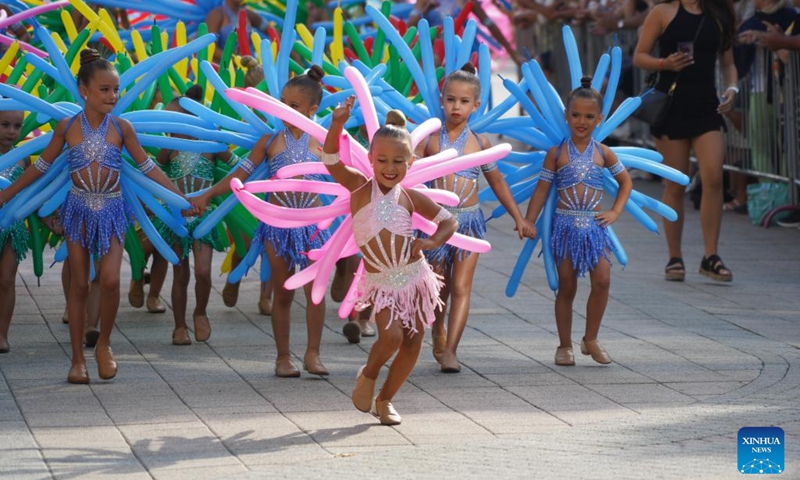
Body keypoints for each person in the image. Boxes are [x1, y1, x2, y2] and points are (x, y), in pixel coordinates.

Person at [0, 49, 191, 384]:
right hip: (77, 211)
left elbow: (146, 166)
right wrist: (7, 193)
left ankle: (104, 344)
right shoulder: (67, 126)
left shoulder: (123, 127)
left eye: (115, 90)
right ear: (84, 91)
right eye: (104, 89)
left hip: (114, 209)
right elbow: (43, 167)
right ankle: (77, 360)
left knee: (111, 281)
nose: (112, 96)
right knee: (79, 284)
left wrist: (179, 197)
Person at [321, 99, 458, 425]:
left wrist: (432, 240)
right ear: (370, 158)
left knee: (413, 345)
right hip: (380, 283)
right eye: (382, 159)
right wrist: (337, 124)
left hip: (414, 278)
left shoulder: (410, 197)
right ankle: (368, 375)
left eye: (398, 161)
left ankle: (385, 400)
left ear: (411, 162)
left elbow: (449, 221)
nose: (390, 167)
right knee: (392, 337)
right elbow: (330, 161)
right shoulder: (358, 187)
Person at [194, 66, 330, 378]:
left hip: (313, 227)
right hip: (277, 226)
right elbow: (238, 175)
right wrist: (207, 194)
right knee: (283, 292)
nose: (285, 110)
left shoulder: (322, 143)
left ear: (313, 110)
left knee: (315, 292)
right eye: (282, 103)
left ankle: (313, 353)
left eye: (293, 106)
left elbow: (343, 175)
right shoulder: (269, 142)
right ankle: (283, 357)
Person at [416, 63, 533, 373]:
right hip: (437, 223)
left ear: (476, 105)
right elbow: (410, 177)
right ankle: (438, 329)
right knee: (439, 286)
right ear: (442, 100)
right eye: (451, 99)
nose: (457, 107)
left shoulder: (480, 142)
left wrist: (519, 218)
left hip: (469, 224)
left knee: (462, 287)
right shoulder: (429, 140)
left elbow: (497, 183)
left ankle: (452, 350)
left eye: (464, 101)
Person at [523, 77, 633, 366]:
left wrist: (615, 212)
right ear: (566, 116)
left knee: (603, 280)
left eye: (588, 116)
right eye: (575, 115)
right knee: (567, 286)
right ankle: (564, 345)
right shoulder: (556, 153)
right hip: (565, 228)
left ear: (599, 118)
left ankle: (591, 338)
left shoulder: (603, 152)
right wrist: (529, 220)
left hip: (595, 228)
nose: (581, 121)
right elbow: (542, 189)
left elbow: (625, 183)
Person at [633, 0, 738, 282]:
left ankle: (710, 255)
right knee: (676, 184)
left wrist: (732, 89)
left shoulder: (719, 13)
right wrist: (663, 63)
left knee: (714, 177)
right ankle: (674, 257)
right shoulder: (662, 12)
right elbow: (639, 56)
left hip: (706, 107)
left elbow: (728, 63)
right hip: (671, 106)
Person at [149, 85, 238, 345]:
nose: (174, 126)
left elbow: (240, 168)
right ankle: (179, 325)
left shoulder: (212, 144)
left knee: (202, 272)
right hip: (174, 219)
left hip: (204, 218)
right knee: (179, 272)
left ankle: (200, 311)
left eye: (178, 120)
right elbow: (154, 171)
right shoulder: (168, 147)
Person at [0, 110, 29, 353]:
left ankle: (2, 333)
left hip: (12, 227)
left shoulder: (23, 159)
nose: (11, 131)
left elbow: (32, 193)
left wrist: (50, 218)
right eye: (5, 125)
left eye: (17, 126)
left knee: (7, 279)